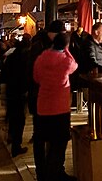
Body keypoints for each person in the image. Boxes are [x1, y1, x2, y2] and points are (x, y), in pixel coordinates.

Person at [33, 32, 78, 181]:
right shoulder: (66, 61)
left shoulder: (41, 58)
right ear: (66, 45)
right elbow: (74, 66)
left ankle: (43, 174)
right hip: (60, 107)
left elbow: (36, 77)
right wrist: (67, 50)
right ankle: (55, 173)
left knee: (43, 139)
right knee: (59, 143)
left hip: (43, 105)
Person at [4, 34, 31, 157]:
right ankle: (16, 145)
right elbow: (27, 75)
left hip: (11, 90)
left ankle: (11, 136)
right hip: (20, 91)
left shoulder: (11, 57)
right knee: (19, 119)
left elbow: (5, 72)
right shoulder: (25, 58)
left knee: (12, 116)